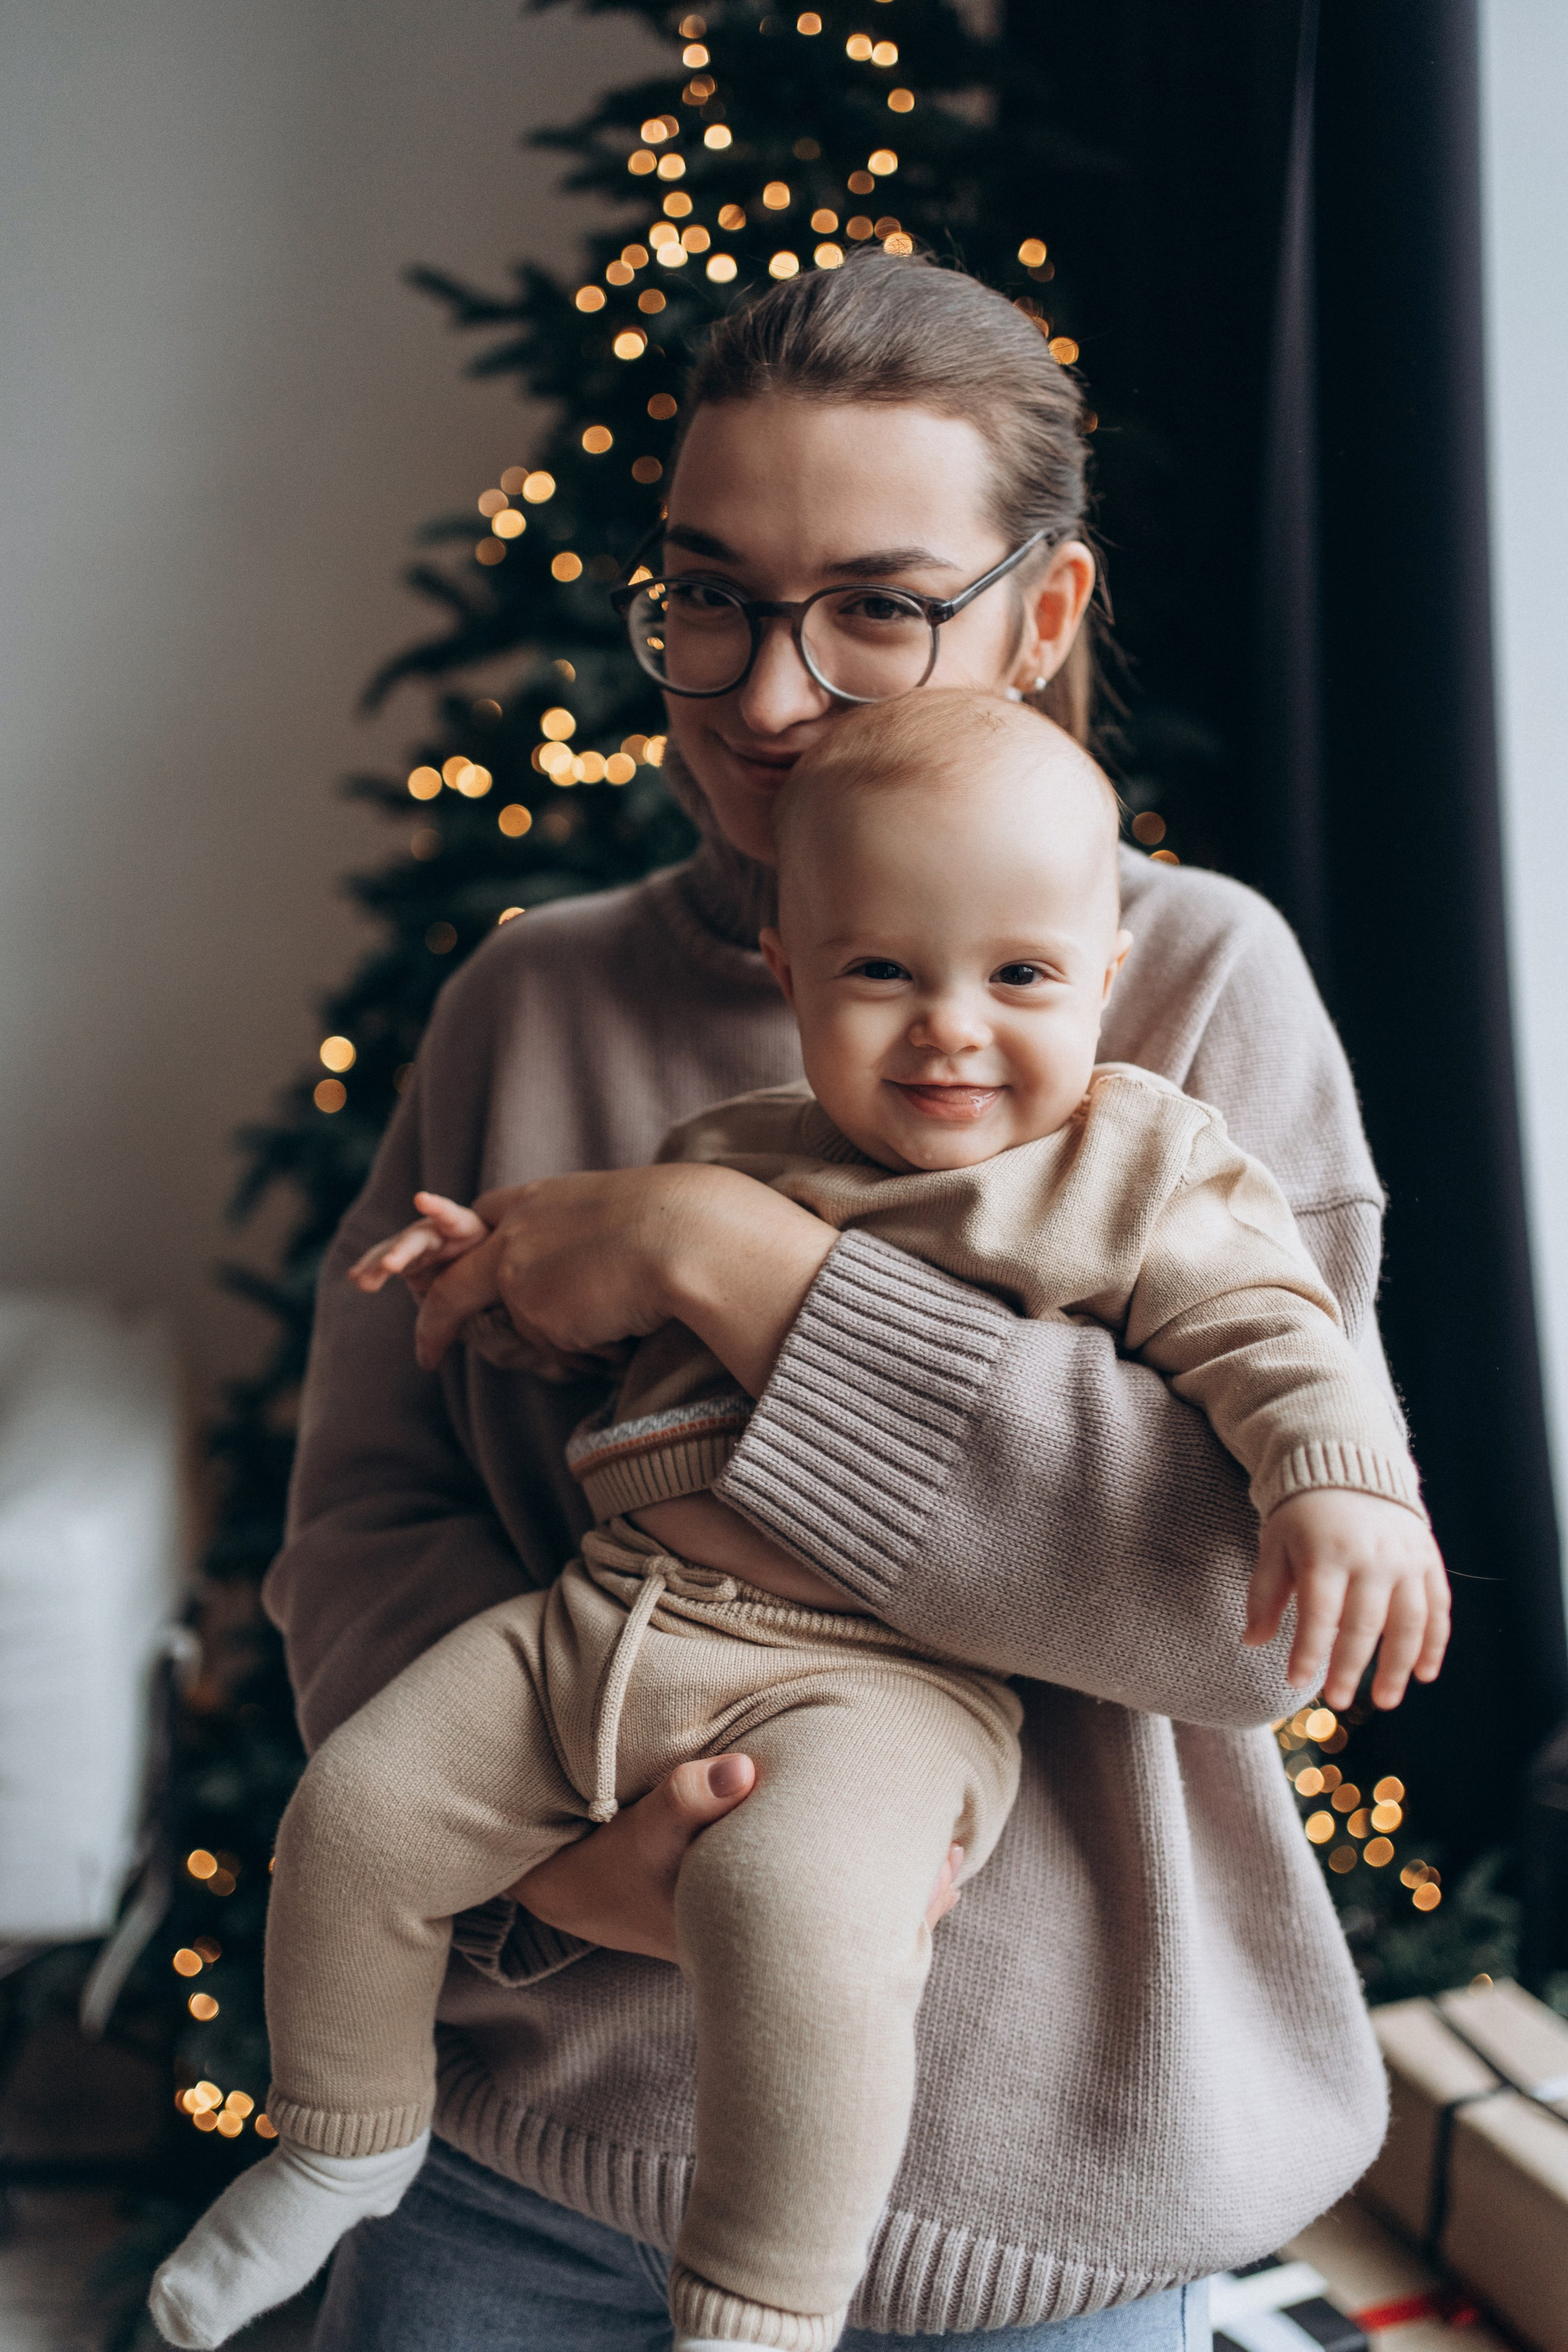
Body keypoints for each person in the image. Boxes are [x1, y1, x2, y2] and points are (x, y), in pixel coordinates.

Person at [255, 254, 1441, 2351]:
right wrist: (548, 1860)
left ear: (1045, 617)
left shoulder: (1194, 988)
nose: (769, 698)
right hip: (509, 2164)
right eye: (710, 597)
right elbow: (363, 1517)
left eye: (878, 608)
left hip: (1033, 2214)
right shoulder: (533, 995)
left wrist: (726, 1259)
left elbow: (1230, 1623)